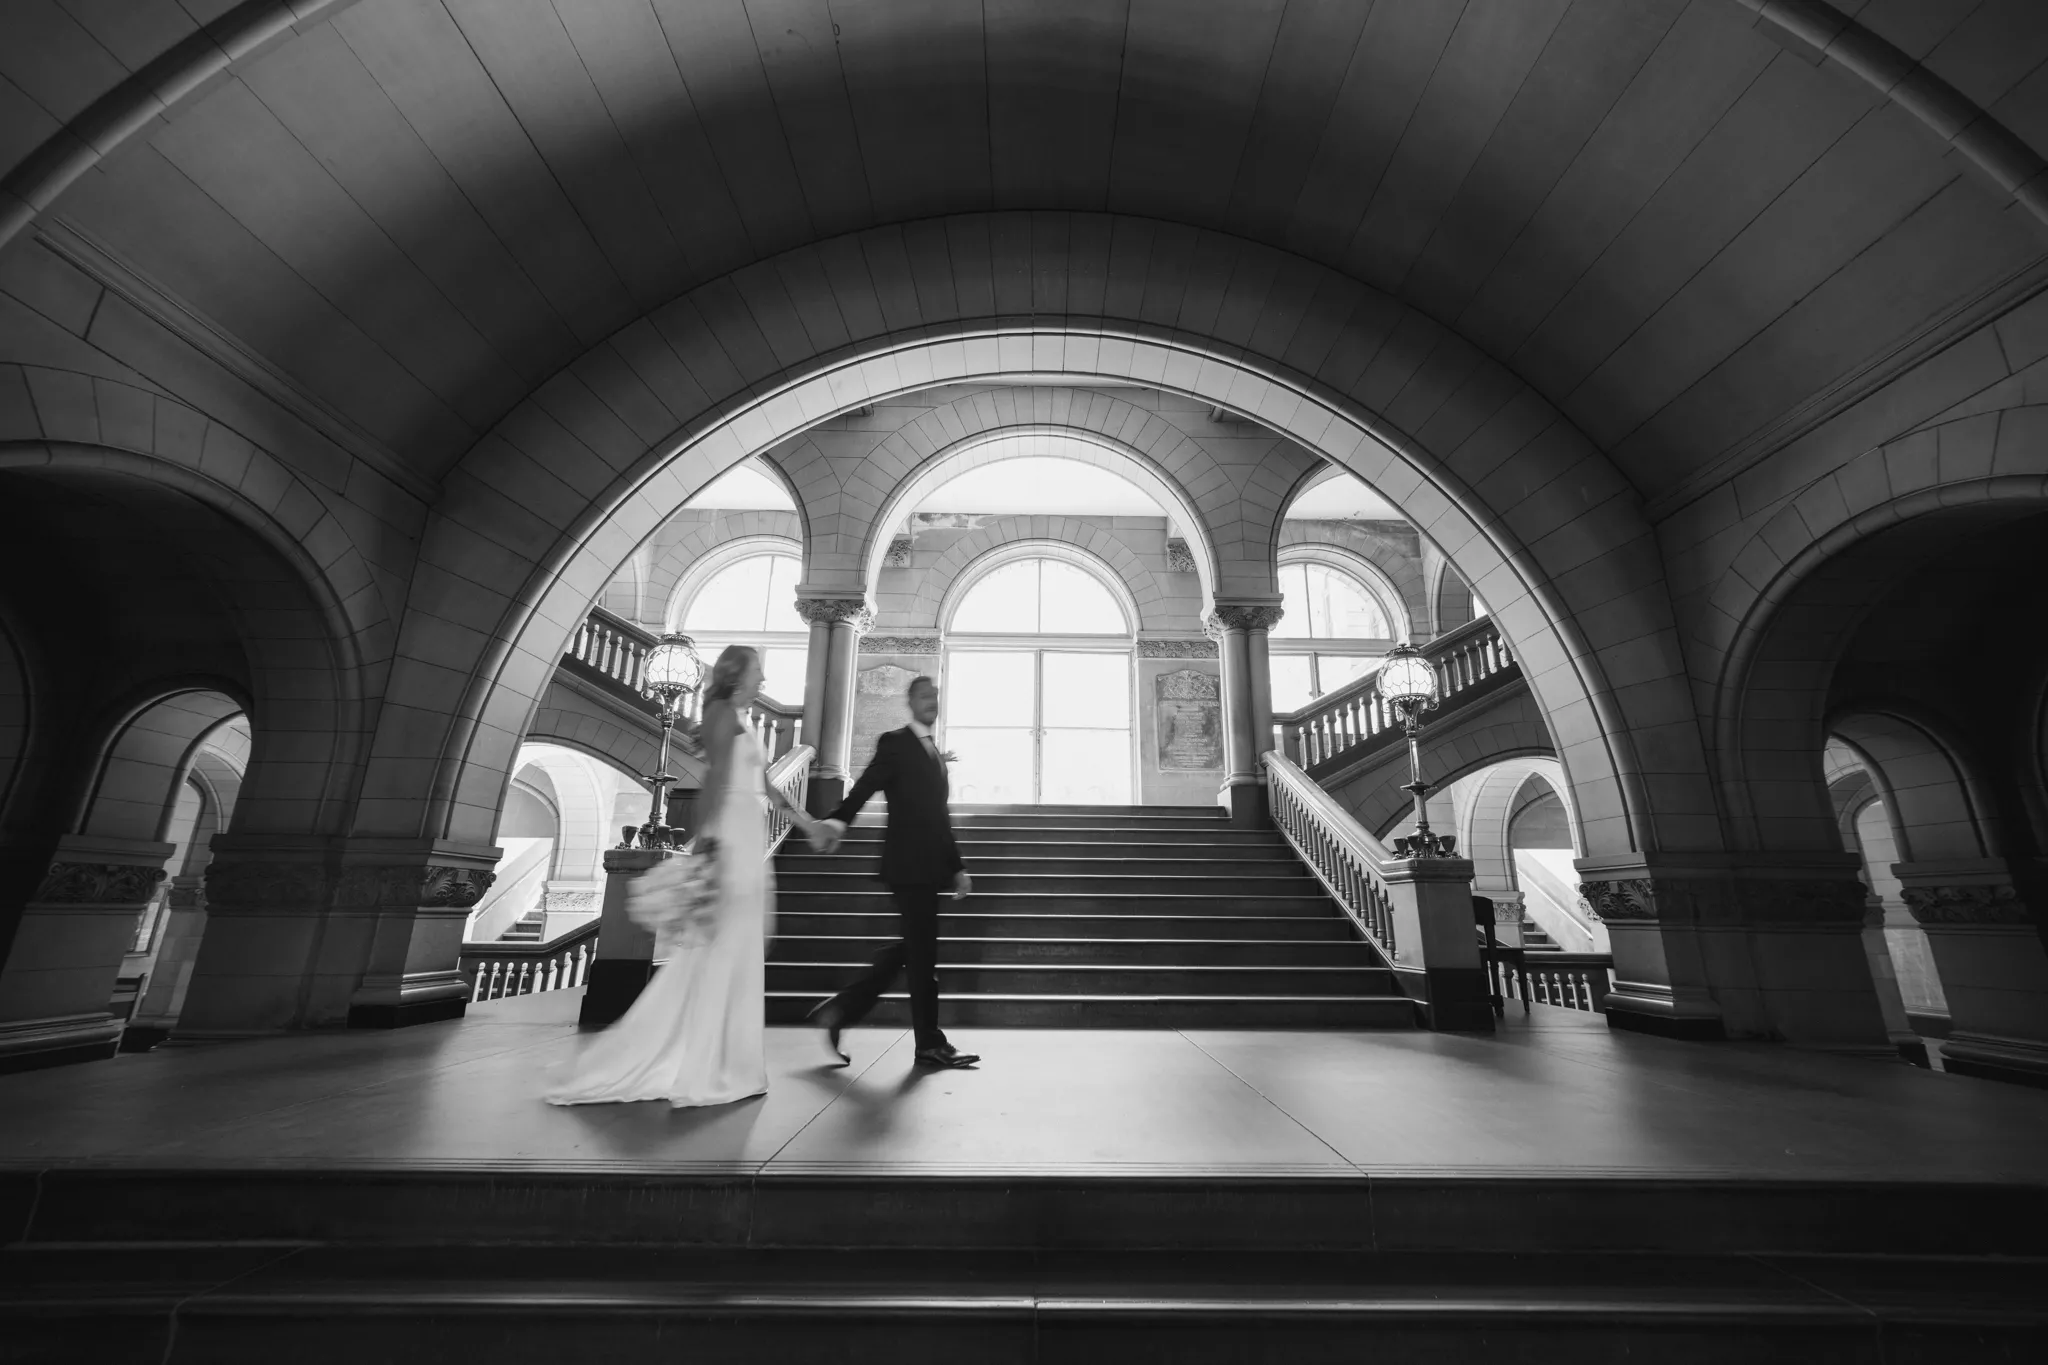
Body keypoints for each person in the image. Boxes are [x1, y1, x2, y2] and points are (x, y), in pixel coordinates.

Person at [546, 645, 825, 1108]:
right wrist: (712, 847)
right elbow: (716, 782)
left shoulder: (740, 719)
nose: (763, 681)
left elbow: (767, 786)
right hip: (731, 839)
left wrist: (806, 821)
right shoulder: (719, 714)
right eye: (758, 672)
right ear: (737, 676)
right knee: (721, 950)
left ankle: (728, 1061)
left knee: (739, 949)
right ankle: (708, 1066)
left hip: (747, 836)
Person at [807, 675, 980, 1070]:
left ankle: (842, 1009)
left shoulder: (933, 751)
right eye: (923, 696)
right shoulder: (896, 742)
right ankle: (929, 1044)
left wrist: (957, 867)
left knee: (915, 951)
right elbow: (865, 786)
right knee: (923, 957)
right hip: (907, 867)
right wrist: (838, 821)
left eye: (935, 695)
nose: (931, 701)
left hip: (929, 868)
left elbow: (940, 818)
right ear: (910, 701)